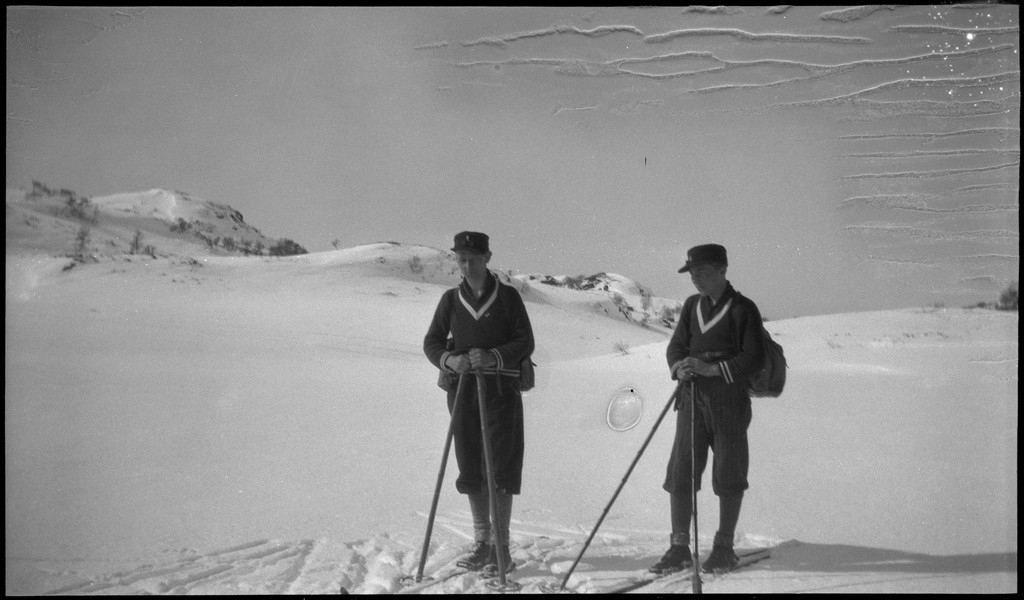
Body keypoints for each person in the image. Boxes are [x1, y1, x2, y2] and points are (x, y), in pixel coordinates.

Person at [423, 231, 535, 576]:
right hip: (464, 393)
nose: (467, 264)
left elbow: (524, 341)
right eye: (461, 258)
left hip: (500, 390)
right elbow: (431, 342)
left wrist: (493, 357)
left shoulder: (508, 298)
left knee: (499, 467)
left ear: (488, 258)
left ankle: (501, 548)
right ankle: (482, 542)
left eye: (473, 257)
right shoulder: (450, 300)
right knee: (471, 465)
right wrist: (449, 361)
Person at [651, 243, 766, 575]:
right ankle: (679, 548)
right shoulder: (692, 306)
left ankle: (724, 547)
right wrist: (679, 367)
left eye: (701, 272)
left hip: (728, 400)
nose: (696, 280)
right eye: (692, 274)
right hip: (691, 397)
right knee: (680, 471)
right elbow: (676, 345)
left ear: (722, 270)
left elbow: (753, 357)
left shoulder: (743, 308)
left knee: (728, 473)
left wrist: (712, 369)